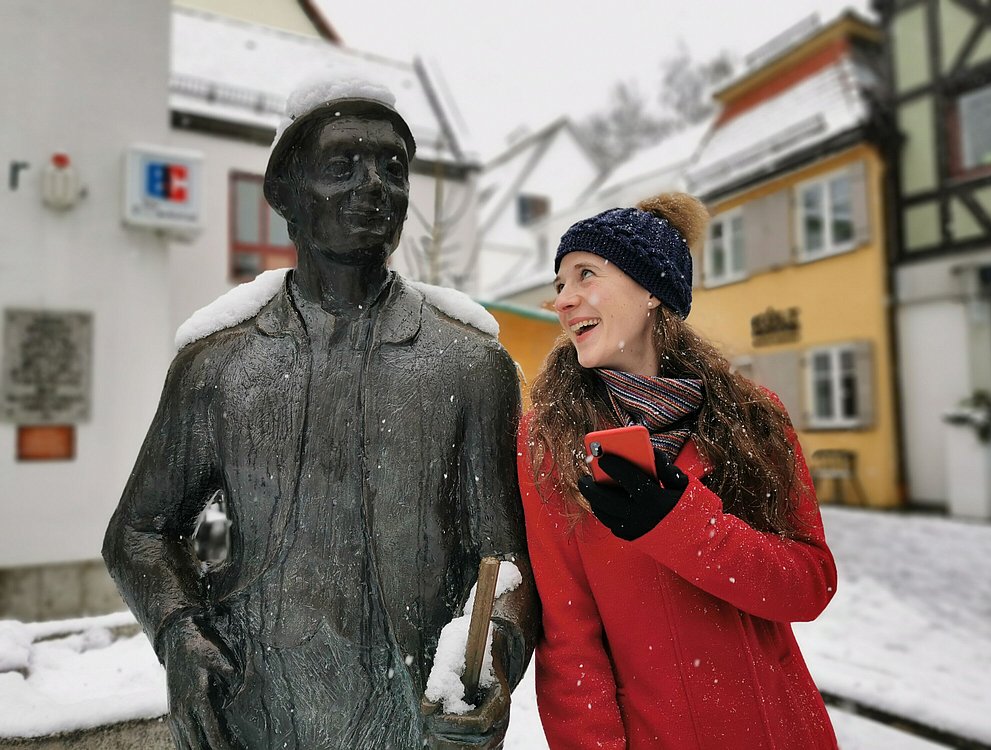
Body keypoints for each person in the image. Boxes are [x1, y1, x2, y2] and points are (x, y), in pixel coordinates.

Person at [103, 76, 538, 750]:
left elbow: (504, 558)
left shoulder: (469, 365)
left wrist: (490, 658)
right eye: (343, 166)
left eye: (393, 169)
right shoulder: (219, 367)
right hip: (254, 712)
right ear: (286, 194)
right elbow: (139, 530)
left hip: (414, 718)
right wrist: (180, 632)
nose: (374, 186)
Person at [518, 193, 838, 749]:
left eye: (585, 275)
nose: (563, 301)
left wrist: (680, 523)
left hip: (783, 730)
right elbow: (570, 644)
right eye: (560, 284)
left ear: (650, 292)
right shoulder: (548, 441)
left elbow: (809, 586)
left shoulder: (754, 417)